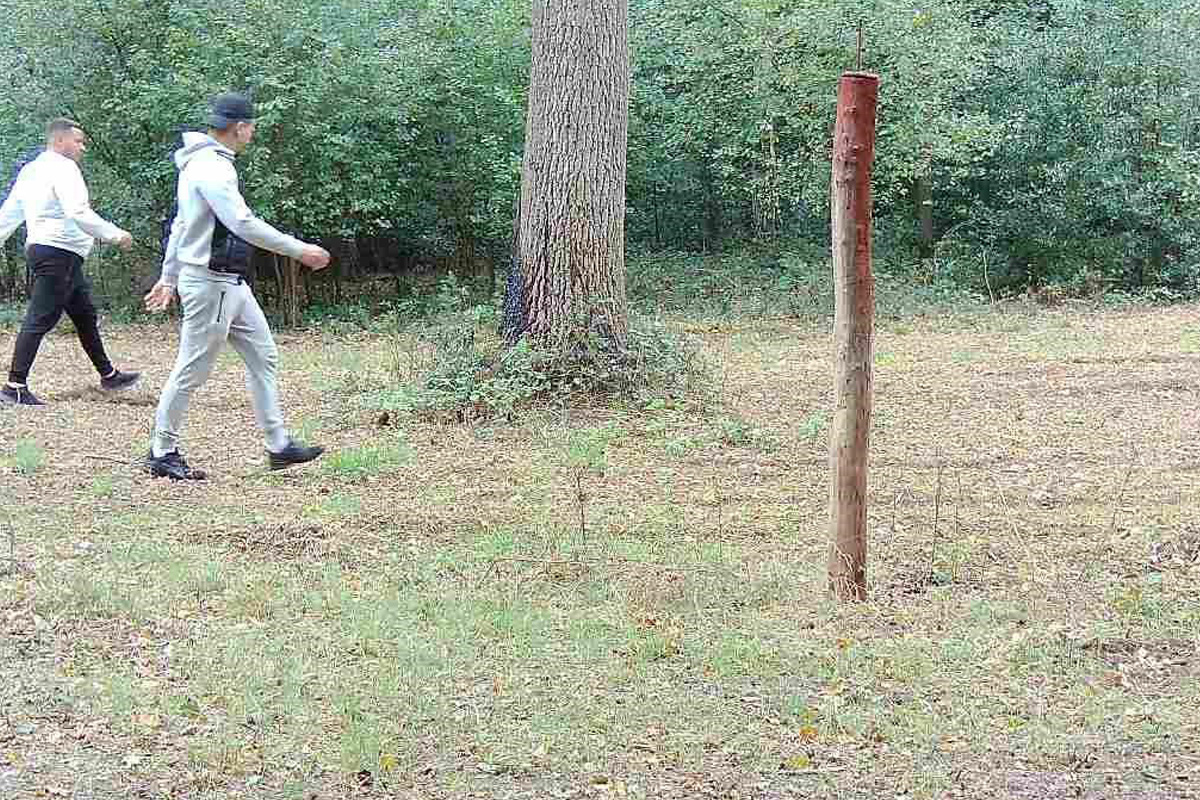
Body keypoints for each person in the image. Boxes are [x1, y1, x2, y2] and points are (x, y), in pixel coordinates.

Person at [144, 92, 331, 480]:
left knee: (264, 356)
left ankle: (278, 446)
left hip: (230, 282)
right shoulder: (211, 167)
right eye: (252, 127)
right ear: (240, 127)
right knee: (192, 369)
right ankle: (162, 451)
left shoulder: (206, 162)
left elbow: (182, 225)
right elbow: (241, 223)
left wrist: (168, 276)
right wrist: (299, 250)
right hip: (212, 282)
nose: (253, 133)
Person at [0, 118, 141, 405]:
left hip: (49, 252)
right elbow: (78, 212)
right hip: (58, 253)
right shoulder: (64, 168)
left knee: (84, 315)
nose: (82, 147)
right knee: (41, 317)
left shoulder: (31, 171)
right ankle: (15, 386)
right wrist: (115, 235)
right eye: (78, 141)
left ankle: (109, 375)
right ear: (59, 140)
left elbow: (10, 214)